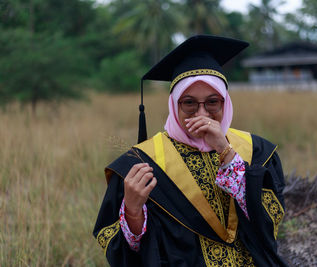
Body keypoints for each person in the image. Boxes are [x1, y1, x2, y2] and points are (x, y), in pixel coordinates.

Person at [93, 35, 287, 266]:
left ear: (225, 103)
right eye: (189, 103)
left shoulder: (256, 150)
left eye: (212, 102)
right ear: (174, 106)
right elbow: (120, 245)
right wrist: (133, 211)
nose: (201, 113)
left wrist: (226, 152)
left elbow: (269, 220)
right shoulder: (142, 161)